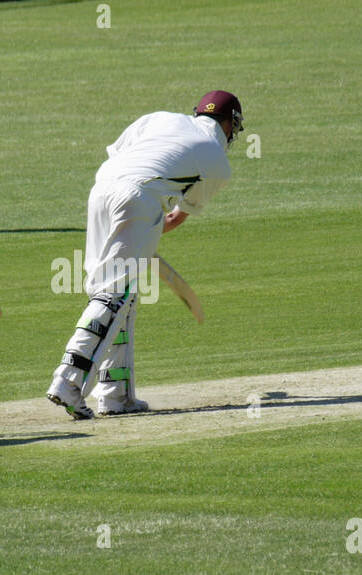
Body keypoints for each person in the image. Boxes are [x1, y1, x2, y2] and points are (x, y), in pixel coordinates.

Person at [47, 91, 241, 419]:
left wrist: (138, 235)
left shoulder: (161, 117)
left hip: (101, 190)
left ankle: (116, 395)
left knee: (116, 293)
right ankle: (68, 382)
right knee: (115, 295)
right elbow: (176, 217)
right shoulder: (217, 162)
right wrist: (141, 230)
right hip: (138, 199)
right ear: (230, 124)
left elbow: (117, 157)